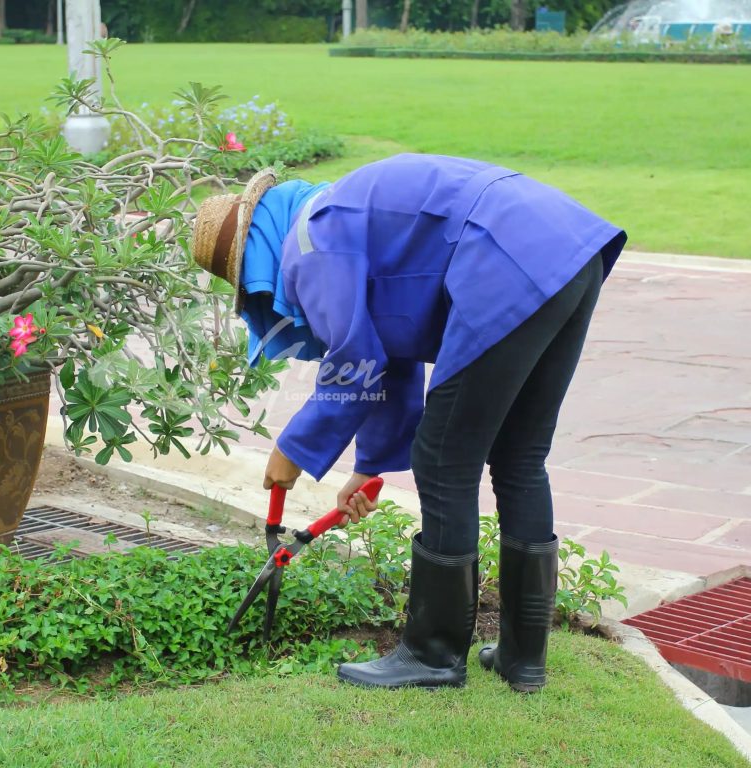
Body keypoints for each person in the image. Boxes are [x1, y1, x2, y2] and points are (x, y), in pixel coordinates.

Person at [190, 154, 626, 692]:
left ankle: (433, 655)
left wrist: (292, 451)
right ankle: (523, 659)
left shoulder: (312, 238)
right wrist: (369, 467)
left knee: (444, 460)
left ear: (255, 253)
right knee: (519, 456)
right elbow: (388, 355)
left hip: (505, 262)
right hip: (568, 249)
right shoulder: (342, 213)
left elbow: (355, 360)